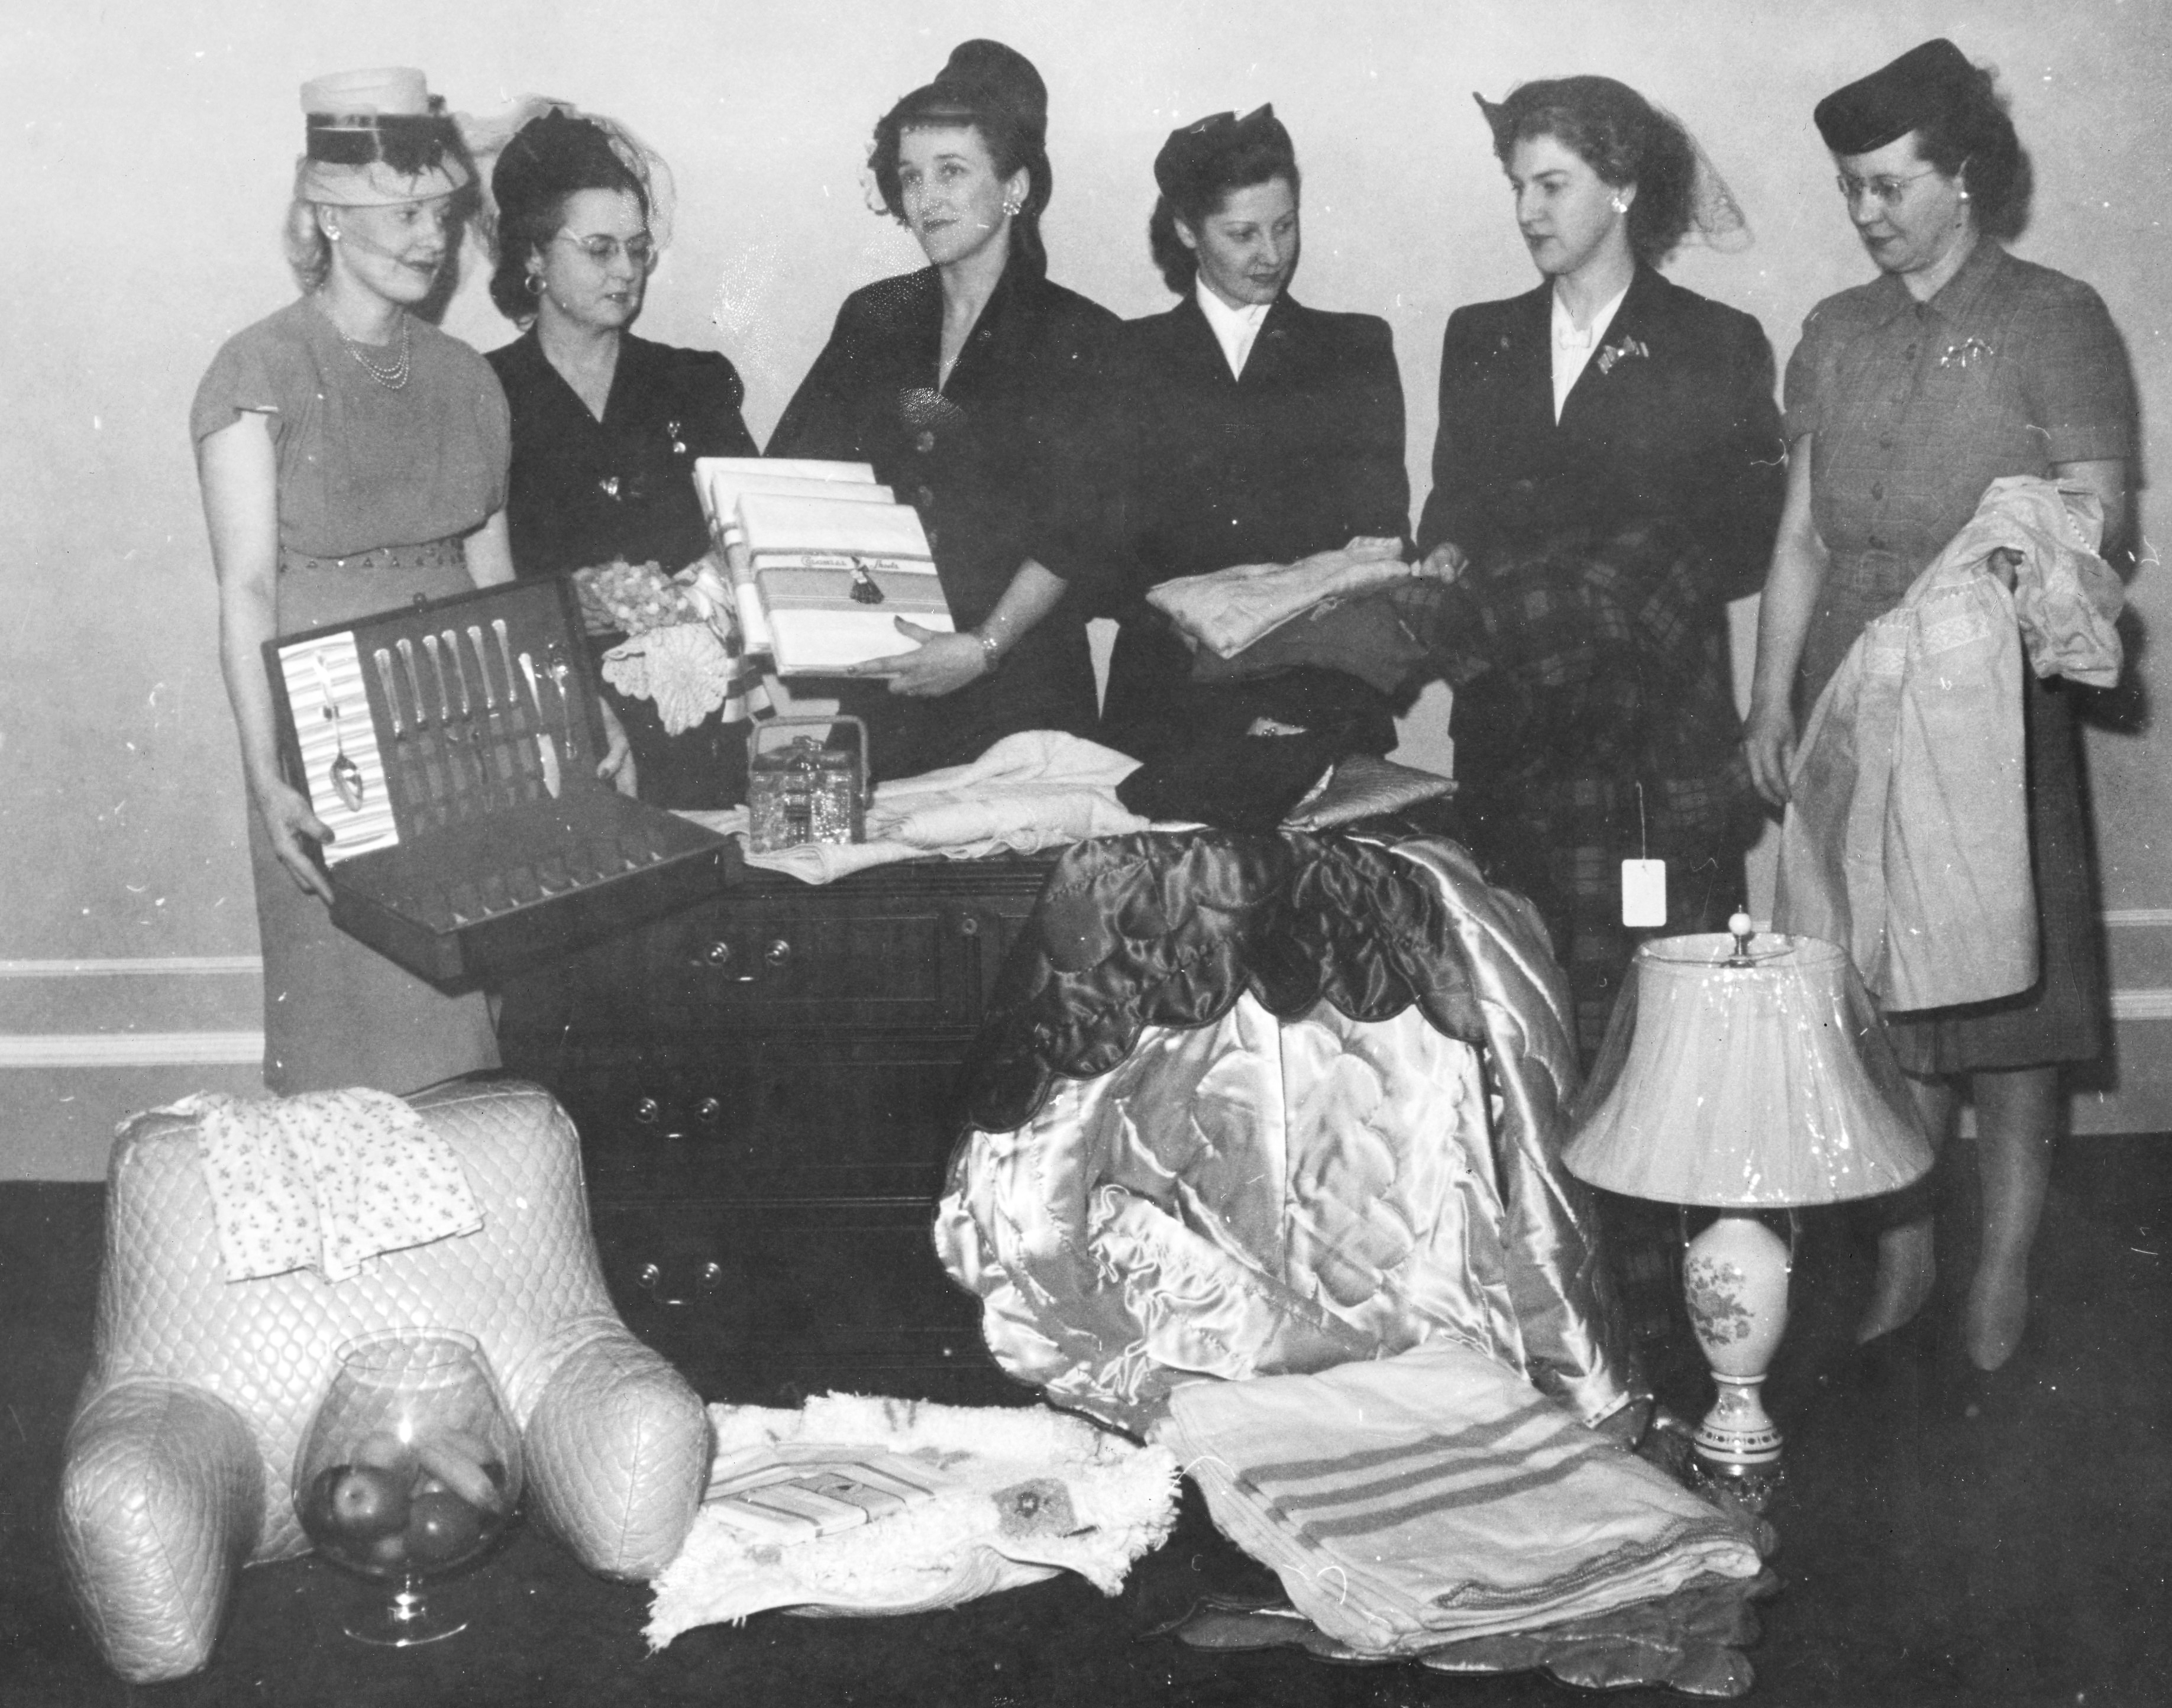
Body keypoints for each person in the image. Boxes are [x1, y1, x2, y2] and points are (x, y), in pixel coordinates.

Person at [1743, 40, 2135, 1372]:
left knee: (2011, 1012)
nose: (1867, 213)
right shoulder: (1834, 332)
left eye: (1891, 185)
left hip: (1990, 695)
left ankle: (2004, 1268)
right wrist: (1769, 702)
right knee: (1886, 1000)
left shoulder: (2054, 315)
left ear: (1962, 178)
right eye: (1850, 188)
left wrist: (2029, 569)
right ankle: (1908, 1248)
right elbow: (1799, 537)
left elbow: (2100, 514)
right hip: (1854, 678)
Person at [1411, 76, 1785, 1056]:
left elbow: (1744, 540)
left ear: (1621, 188)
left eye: (1551, 185)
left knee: (1665, 1033)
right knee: (1523, 1020)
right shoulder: (1477, 337)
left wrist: (1584, 592)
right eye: (1518, 187)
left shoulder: (1714, 341)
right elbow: (1448, 513)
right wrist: (1442, 559)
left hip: (1648, 747)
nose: (1527, 211)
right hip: (1510, 738)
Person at [192, 67, 509, 1094]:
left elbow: (495, 576)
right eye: (405, 213)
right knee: (346, 1044)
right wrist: (266, 780)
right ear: (328, 216)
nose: (433, 238)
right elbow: (246, 589)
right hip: (326, 732)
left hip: (460, 724)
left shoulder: (470, 378)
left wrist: (560, 723)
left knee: (463, 1043)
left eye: (443, 213)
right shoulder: (257, 371)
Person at [765, 40, 1114, 783]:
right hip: (887, 687)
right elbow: (794, 476)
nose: (927, 199)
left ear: (1014, 186)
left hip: (1020, 686)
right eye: (911, 177)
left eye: (953, 172)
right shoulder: (875, 315)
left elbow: (1079, 529)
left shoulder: (1081, 336)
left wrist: (985, 645)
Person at [1093, 104, 1411, 772]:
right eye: (1242, 233)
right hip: (1167, 701)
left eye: (1285, 226)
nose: (1271, 255)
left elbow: (1381, 528)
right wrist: (1173, 616)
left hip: (1318, 691)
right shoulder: (1126, 356)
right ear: (1186, 230)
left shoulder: (1354, 348)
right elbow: (1101, 549)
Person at [484, 105, 762, 808]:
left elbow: (754, 541)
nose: (627, 271)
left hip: (706, 721)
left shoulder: (692, 381)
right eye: (600, 249)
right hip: (559, 718)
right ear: (533, 258)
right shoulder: (484, 394)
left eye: (638, 249)